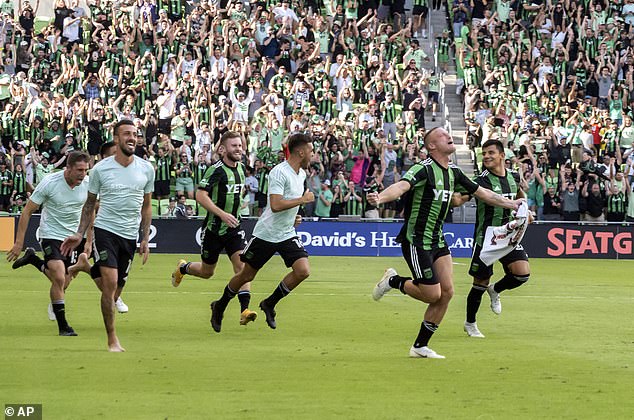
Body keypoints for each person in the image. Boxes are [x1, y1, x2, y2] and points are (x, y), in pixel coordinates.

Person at [368, 128, 523, 358]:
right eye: (442, 135)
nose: (448, 136)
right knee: (432, 294)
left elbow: (484, 193)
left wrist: (512, 205)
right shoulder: (423, 169)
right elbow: (401, 186)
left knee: (447, 292)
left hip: (438, 239)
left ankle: (420, 346)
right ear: (432, 146)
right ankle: (393, 280)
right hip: (417, 240)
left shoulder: (455, 172)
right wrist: (380, 198)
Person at [61, 120, 155, 352]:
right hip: (106, 231)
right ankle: (112, 339)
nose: (132, 138)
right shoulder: (101, 169)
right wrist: (80, 234)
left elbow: (147, 206)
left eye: (135, 134)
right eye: (127, 134)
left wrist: (144, 238)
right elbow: (89, 205)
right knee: (111, 283)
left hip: (129, 235)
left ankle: (85, 267)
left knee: (113, 292)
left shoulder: (146, 169)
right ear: (116, 138)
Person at [209, 133, 315, 333]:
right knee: (246, 275)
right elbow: (275, 205)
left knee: (303, 271)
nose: (313, 154)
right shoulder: (279, 172)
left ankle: (269, 303)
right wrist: (302, 200)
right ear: (301, 152)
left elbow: (287, 205)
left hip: (286, 232)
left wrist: (294, 217)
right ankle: (220, 305)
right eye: (310, 150)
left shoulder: (301, 174)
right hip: (266, 233)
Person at [171, 131, 257, 326]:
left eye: (240, 146)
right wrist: (222, 214)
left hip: (234, 228)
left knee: (243, 268)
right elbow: (201, 196)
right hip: (214, 229)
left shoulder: (241, 169)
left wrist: (234, 211)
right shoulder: (216, 170)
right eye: (234, 146)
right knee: (207, 272)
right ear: (223, 149)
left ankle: (244, 310)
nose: (238, 149)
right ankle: (183, 268)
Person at [7, 151, 91, 336]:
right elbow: (27, 211)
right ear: (67, 168)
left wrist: (88, 240)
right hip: (50, 234)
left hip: (74, 237)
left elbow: (90, 210)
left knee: (64, 281)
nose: (83, 174)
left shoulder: (87, 184)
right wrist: (19, 242)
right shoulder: (49, 183)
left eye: (85, 170)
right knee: (59, 277)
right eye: (79, 170)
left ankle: (33, 260)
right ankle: (64, 327)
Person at [454, 140, 531, 338]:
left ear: (502, 156)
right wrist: (452, 198)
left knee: (522, 274)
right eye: (484, 153)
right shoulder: (480, 180)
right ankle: (470, 323)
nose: (486, 156)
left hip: (508, 235)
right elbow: (460, 198)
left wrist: (526, 211)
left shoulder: (513, 176)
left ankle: (495, 289)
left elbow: (520, 196)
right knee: (479, 283)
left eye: (491, 153)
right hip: (486, 239)